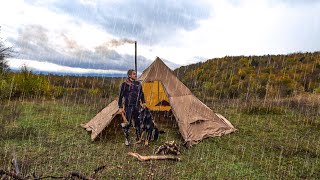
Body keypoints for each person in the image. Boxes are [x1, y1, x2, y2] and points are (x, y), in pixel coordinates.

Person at [118, 69, 146, 146]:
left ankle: (138, 137)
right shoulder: (125, 84)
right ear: (129, 75)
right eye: (134, 74)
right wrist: (120, 107)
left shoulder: (138, 84)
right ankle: (127, 139)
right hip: (128, 107)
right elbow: (120, 97)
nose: (135, 75)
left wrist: (143, 102)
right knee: (128, 123)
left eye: (135, 74)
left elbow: (142, 94)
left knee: (138, 122)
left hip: (137, 106)